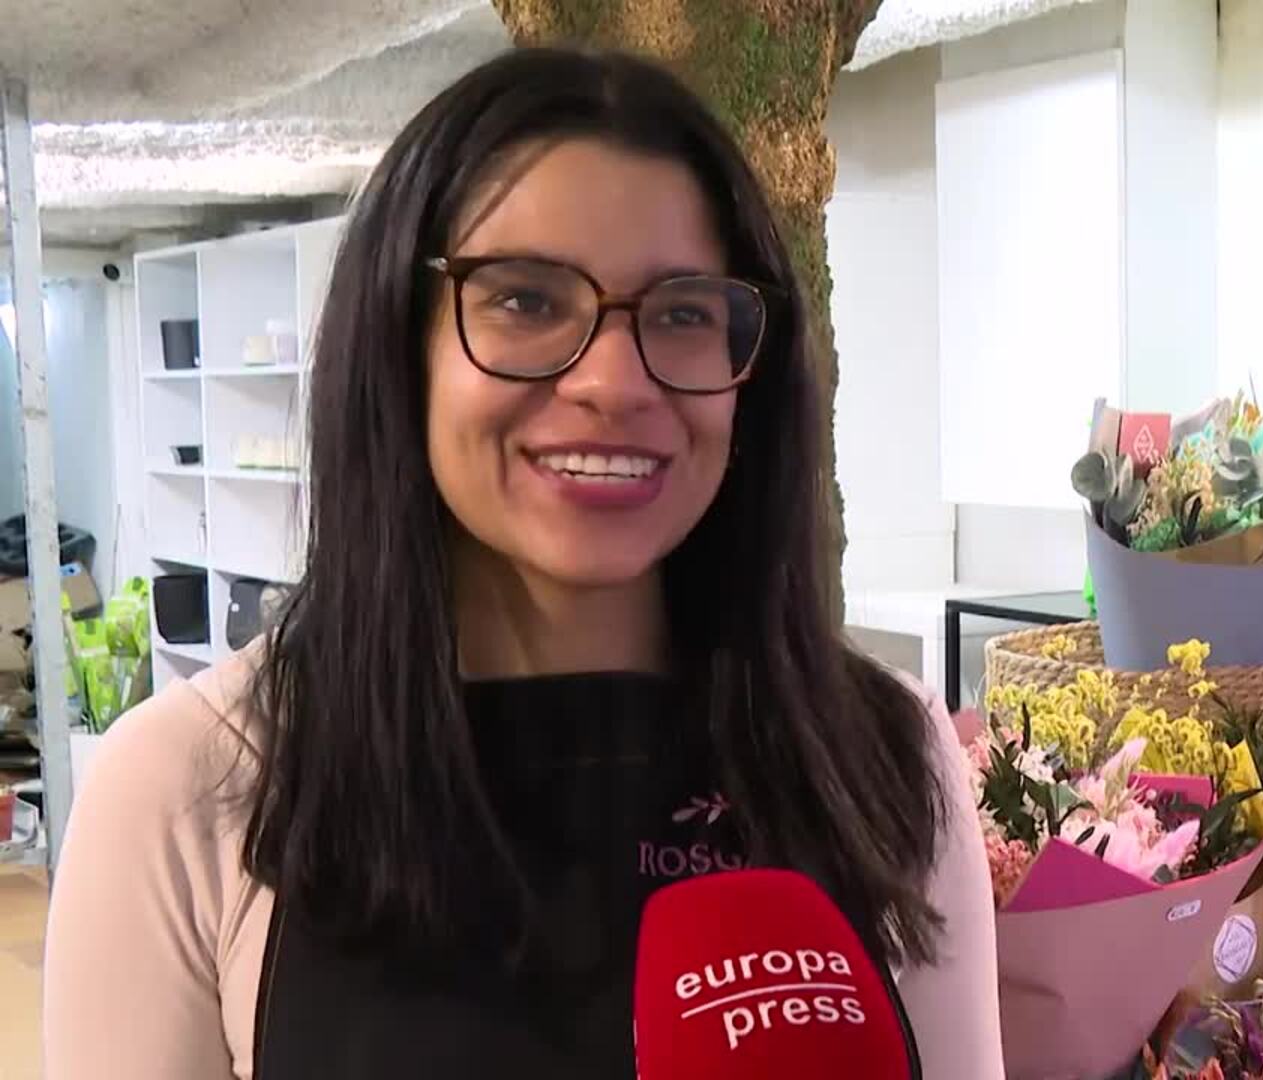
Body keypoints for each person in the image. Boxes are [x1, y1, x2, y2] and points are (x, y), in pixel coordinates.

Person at [43, 48, 1002, 1079]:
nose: (611, 381)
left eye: (682, 312)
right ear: (399, 346)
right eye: (526, 300)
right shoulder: (191, 787)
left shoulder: (881, 753)